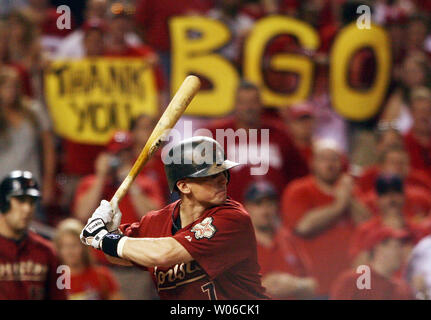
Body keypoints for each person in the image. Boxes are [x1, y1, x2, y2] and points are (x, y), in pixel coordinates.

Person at [80, 136, 270, 300]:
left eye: (222, 171)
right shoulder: (156, 221)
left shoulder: (232, 218)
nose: (221, 179)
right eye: (210, 176)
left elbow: (164, 254)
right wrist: (111, 233)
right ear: (184, 186)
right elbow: (119, 256)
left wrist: (102, 238)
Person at [281, 139, 371, 298]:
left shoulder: (351, 191)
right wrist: (339, 205)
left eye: (334, 159)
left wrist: (348, 197)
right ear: (313, 163)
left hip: (350, 286)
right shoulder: (299, 189)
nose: (329, 164)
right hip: (315, 287)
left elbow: (367, 226)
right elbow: (303, 226)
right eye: (323, 159)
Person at [207, 80, 309, 203]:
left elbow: (298, 175)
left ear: (261, 103)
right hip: (230, 212)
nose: (248, 108)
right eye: (243, 102)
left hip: (274, 214)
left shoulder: (280, 134)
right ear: (235, 104)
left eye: (253, 102)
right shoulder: (216, 134)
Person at [244, 181, 316, 299]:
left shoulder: (290, 239)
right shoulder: (237, 245)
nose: (265, 211)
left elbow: (316, 284)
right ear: (247, 208)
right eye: (258, 204)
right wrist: (260, 286)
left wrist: (296, 284)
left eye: (270, 204)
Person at [0, 170, 66, 299]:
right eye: (20, 200)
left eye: (31, 202)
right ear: (3, 203)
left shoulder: (48, 251)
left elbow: (60, 295)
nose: (27, 209)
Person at [331, 226, 413, 300]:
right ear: (378, 248)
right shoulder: (353, 281)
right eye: (396, 246)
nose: (401, 252)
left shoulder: (403, 289)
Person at [54, 218, 123, 300]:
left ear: (84, 247)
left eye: (74, 245)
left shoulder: (102, 276)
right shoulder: (53, 278)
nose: (69, 251)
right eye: (64, 246)